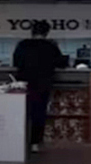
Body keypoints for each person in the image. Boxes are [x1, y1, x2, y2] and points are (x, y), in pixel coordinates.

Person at [12, 22, 67, 153]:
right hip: (43, 83)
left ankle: (19, 140)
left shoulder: (23, 44)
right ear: (46, 32)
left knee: (22, 112)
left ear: (32, 31)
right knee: (39, 113)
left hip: (24, 82)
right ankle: (35, 143)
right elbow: (61, 63)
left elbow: (16, 62)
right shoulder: (50, 46)